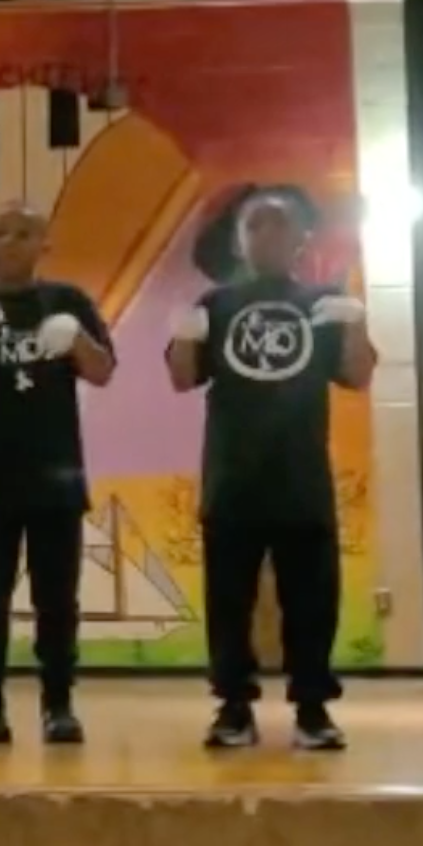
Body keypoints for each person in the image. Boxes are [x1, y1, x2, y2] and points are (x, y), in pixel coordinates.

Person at [165, 191, 374, 751]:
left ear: (300, 238)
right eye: (256, 226)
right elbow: (182, 379)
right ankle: (233, 708)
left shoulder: (323, 301)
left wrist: (354, 324)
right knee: (228, 602)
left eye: (279, 226)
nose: (267, 235)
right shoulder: (217, 303)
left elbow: (358, 375)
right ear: (240, 240)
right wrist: (185, 334)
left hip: (302, 478)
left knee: (312, 599)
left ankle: (312, 710)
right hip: (233, 478)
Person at [0, 204, 115, 745]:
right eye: (0, 233)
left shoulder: (67, 301)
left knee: (57, 600)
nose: (8, 243)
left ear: (43, 246)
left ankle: (59, 705)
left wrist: (76, 339)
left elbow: (102, 371)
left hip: (56, 476)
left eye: (23, 234)